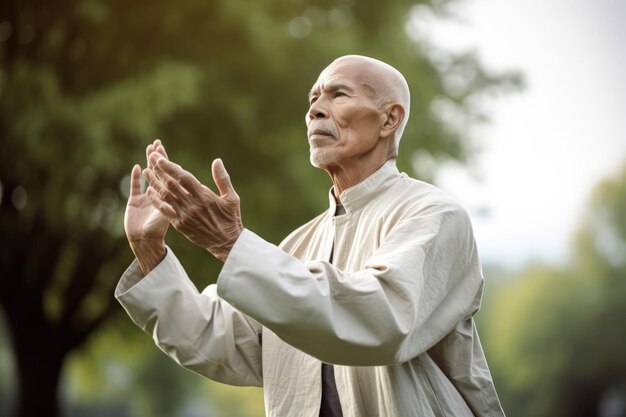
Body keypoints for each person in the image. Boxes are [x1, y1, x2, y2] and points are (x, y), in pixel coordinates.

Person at [116, 55, 506, 417]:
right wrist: (151, 253)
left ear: (389, 119)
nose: (315, 109)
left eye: (338, 94)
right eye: (313, 98)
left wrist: (229, 243)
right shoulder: (297, 245)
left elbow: (379, 321)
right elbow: (221, 341)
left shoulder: (433, 216)